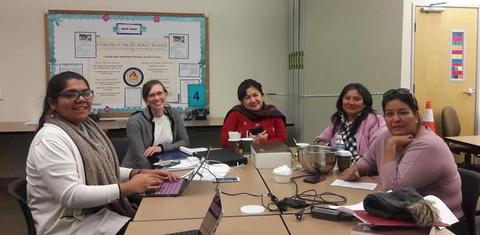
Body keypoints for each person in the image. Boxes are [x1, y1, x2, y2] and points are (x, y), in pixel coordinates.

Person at [26, 71, 178, 235]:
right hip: (71, 224)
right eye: (71, 94)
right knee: (154, 228)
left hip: (94, 212)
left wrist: (137, 172)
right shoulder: (50, 140)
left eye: (86, 93)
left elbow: (99, 170)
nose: (82, 99)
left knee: (162, 216)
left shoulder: (85, 128)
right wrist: (127, 188)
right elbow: (71, 195)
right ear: (52, 102)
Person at [341, 88, 467, 233]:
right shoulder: (386, 136)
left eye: (403, 112)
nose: (395, 119)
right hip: (405, 217)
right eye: (389, 114)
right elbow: (368, 161)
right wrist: (355, 169)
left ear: (416, 116)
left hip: (438, 226)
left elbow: (393, 189)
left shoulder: (428, 145)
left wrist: (390, 147)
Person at [121, 80, 189, 169]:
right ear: (146, 100)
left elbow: (184, 141)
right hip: (137, 170)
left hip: (164, 166)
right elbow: (140, 158)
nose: (157, 98)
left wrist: (161, 148)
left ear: (166, 94)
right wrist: (156, 174)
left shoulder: (173, 114)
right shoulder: (135, 121)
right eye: (151, 95)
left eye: (159, 93)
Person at [314, 83, 386, 163]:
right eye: (347, 98)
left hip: (362, 170)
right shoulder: (338, 119)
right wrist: (322, 145)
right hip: (336, 168)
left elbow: (377, 150)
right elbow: (323, 138)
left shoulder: (375, 120)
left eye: (356, 99)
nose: (351, 103)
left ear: (365, 103)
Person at [221, 79, 287, 148]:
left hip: (270, 156)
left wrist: (264, 142)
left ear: (262, 95)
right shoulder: (236, 114)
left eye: (255, 95)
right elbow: (224, 141)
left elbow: (283, 139)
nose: (253, 100)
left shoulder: (273, 113)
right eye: (247, 98)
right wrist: (251, 139)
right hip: (241, 156)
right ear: (242, 102)